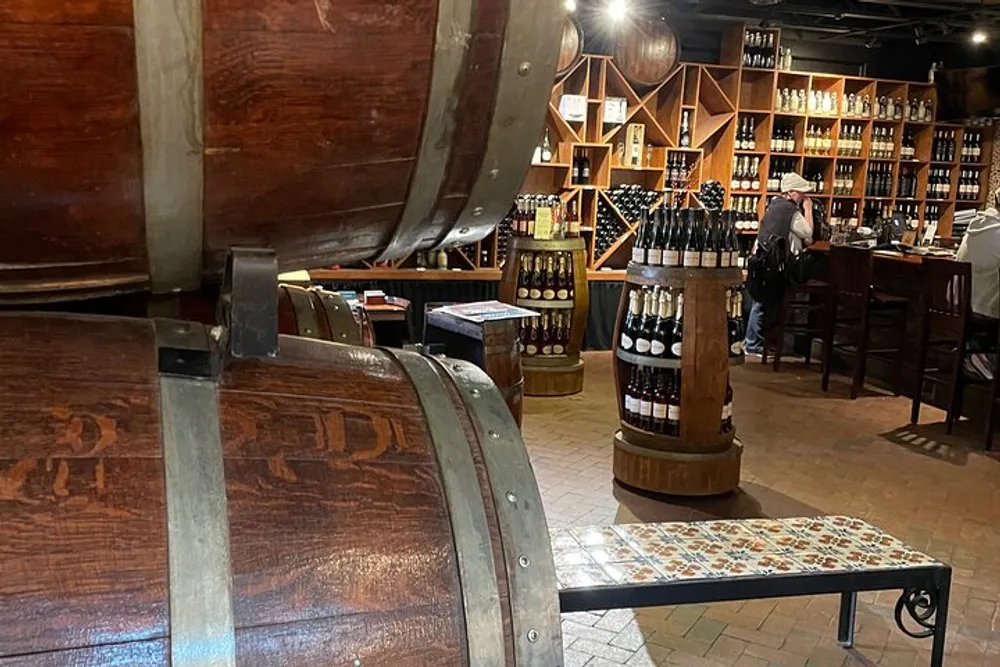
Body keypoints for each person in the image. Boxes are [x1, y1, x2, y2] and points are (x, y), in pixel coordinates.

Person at [743, 172, 815, 354]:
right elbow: (808, 233)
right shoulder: (791, 211)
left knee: (760, 302)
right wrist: (808, 210)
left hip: (765, 260)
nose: (804, 197)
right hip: (777, 264)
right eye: (801, 193)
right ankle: (754, 344)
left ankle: (755, 343)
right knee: (764, 303)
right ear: (790, 192)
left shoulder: (774, 206)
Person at [955, 188, 1000, 379]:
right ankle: (983, 359)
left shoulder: (975, 227)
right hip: (983, 311)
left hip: (959, 306)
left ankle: (974, 352)